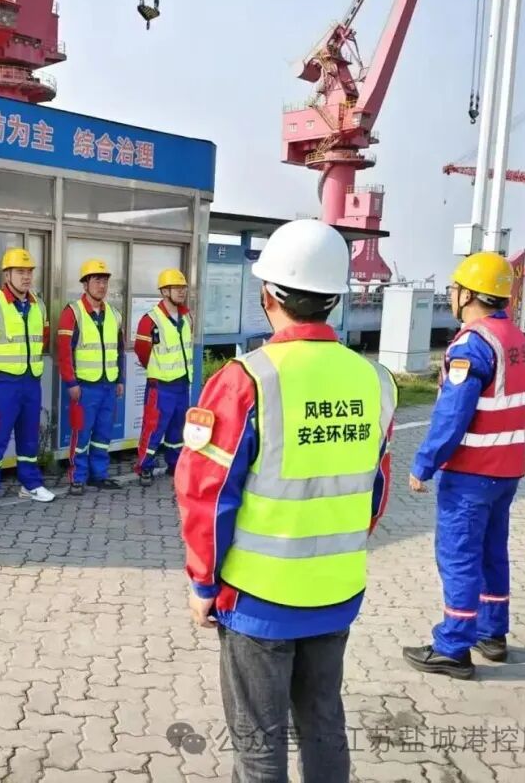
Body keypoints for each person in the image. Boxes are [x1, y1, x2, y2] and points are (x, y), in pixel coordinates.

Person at [175, 219, 397, 782]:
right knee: (323, 724)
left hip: (259, 600)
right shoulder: (375, 380)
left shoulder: (245, 380)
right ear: (334, 299)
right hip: (337, 591)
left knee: (258, 743)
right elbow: (375, 490)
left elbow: (207, 496)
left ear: (268, 295)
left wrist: (203, 584)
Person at [403, 251, 525, 679]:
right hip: (506, 469)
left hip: (472, 471)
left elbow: (452, 414)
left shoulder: (472, 343)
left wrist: (424, 463)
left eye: (455, 289)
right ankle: (492, 634)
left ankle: (453, 647)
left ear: (469, 295)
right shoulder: (513, 338)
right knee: (493, 552)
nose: (452, 295)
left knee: (459, 556)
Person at [0, 248, 57, 512]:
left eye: (29, 272)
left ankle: (31, 485)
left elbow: (43, 337)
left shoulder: (39, 304)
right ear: (7, 275)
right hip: (4, 384)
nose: (26, 277)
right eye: (20, 272)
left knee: (29, 438)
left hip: (31, 382)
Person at [56, 259, 126, 495]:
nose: (102, 285)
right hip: (85, 387)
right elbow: (64, 352)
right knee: (82, 433)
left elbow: (119, 350)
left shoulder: (114, 314)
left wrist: (120, 380)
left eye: (105, 280)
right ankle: (77, 477)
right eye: (96, 280)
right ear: (85, 284)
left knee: (103, 434)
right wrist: (71, 382)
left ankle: (99, 475)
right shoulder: (72, 313)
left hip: (108, 386)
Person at [134, 268, 193, 486]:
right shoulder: (150, 320)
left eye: (183, 287)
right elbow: (142, 351)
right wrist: (156, 370)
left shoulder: (186, 317)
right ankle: (144, 467)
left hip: (182, 384)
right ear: (164, 291)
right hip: (160, 386)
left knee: (177, 430)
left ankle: (174, 464)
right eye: (176, 288)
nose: (181, 291)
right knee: (153, 428)